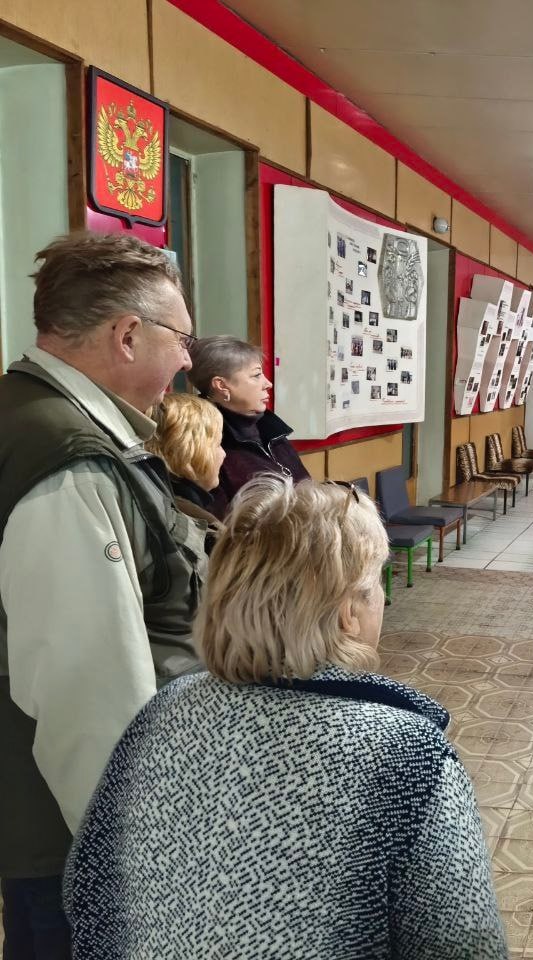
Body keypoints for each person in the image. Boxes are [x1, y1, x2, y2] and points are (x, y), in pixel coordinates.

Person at [64, 478, 509, 959]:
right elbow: (465, 946)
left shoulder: (160, 714)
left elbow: (87, 893)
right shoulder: (406, 756)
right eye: (377, 582)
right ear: (347, 611)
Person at [0, 232, 203, 958]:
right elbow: (88, 693)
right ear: (127, 335)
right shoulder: (68, 461)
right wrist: (132, 862)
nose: (188, 359)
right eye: (181, 338)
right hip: (71, 837)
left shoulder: (30, 412)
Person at [187, 335, 309, 517]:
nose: (268, 384)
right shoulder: (208, 445)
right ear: (221, 386)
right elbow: (222, 524)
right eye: (256, 375)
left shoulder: (271, 430)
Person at [146, 391, 226, 532]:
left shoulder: (155, 499)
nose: (224, 454)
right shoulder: (195, 524)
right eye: (218, 444)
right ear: (188, 451)